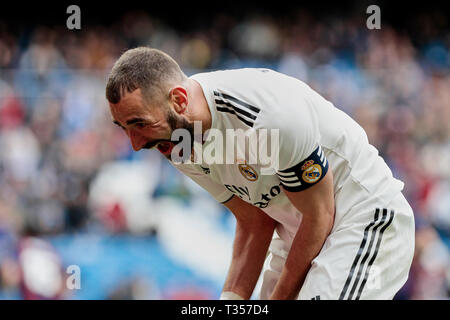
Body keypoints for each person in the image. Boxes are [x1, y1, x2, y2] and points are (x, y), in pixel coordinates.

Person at [105, 47, 415, 300]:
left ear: (179, 101)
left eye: (139, 123)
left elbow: (320, 214)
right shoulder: (176, 140)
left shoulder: (270, 118)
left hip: (362, 217)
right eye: (125, 128)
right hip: (298, 230)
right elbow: (254, 220)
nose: (135, 144)